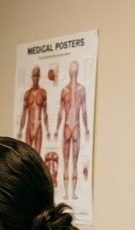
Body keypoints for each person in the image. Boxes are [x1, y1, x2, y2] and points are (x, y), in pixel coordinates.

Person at [53, 61, 90, 200]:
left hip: (72, 126)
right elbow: (61, 111)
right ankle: (70, 194)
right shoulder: (71, 90)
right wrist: (56, 129)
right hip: (72, 126)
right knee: (68, 161)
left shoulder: (73, 90)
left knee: (71, 161)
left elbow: (83, 110)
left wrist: (86, 128)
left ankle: (70, 193)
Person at [17, 65, 49, 155]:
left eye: (37, 76)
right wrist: (20, 129)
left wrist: (47, 129)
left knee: (37, 156)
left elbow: (45, 113)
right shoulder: (27, 94)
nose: (35, 78)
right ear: (31, 77)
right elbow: (24, 113)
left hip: (38, 127)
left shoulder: (43, 93)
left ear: (39, 77)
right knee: (27, 155)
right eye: (34, 76)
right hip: (29, 127)